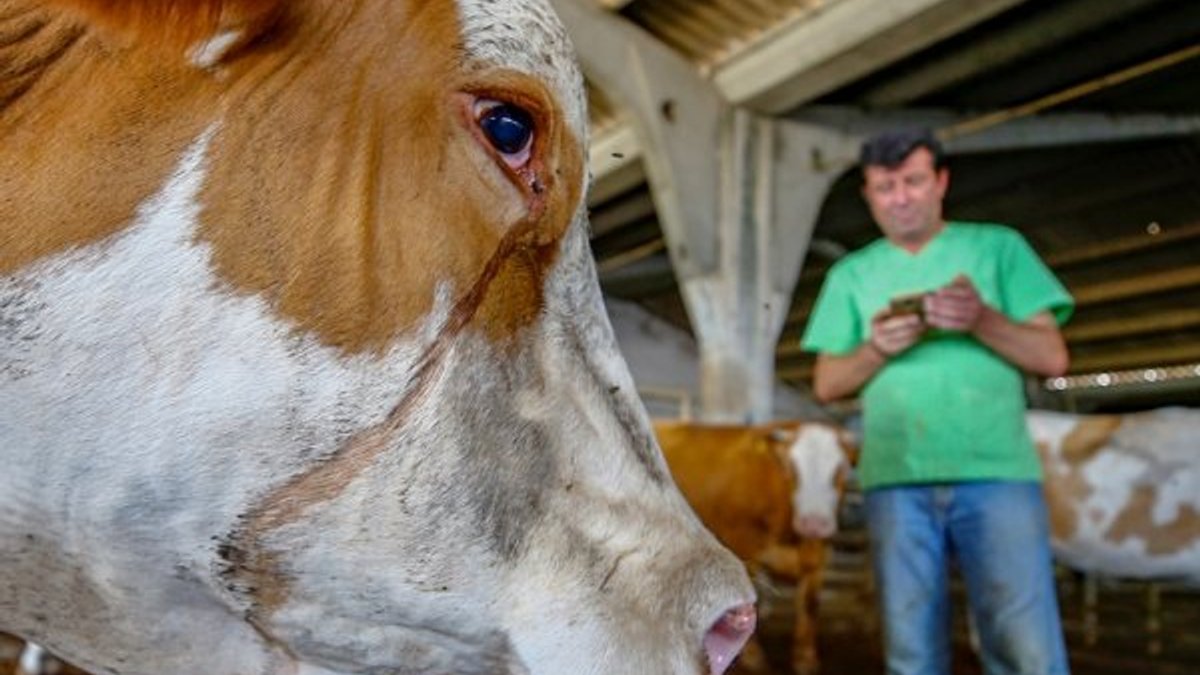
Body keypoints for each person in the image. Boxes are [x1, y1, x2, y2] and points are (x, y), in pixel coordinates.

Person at [801, 128, 1073, 675]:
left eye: (913, 181)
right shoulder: (851, 274)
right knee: (910, 648)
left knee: (1024, 644)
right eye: (885, 187)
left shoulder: (998, 248)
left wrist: (981, 319)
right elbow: (827, 383)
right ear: (868, 195)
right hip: (896, 479)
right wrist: (877, 347)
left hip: (997, 473)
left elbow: (1053, 357)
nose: (900, 197)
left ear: (940, 182)